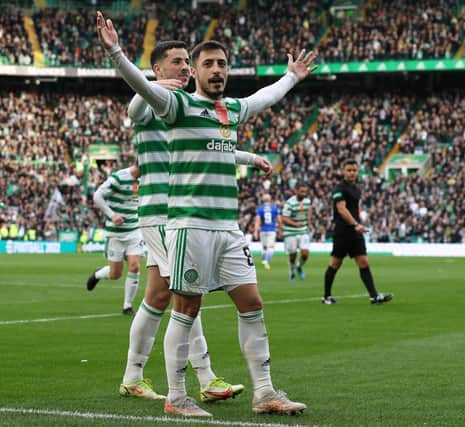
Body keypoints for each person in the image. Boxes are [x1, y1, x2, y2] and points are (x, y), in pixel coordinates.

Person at [98, 11, 315, 417]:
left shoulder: (231, 110)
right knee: (185, 307)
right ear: (195, 72)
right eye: (208, 64)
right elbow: (138, 89)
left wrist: (293, 77)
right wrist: (114, 52)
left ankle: (265, 392)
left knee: (252, 303)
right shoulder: (176, 104)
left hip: (228, 229)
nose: (216, 70)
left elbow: (264, 97)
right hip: (188, 226)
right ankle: (177, 397)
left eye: (222, 64)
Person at [120, 40, 269, 403]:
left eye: (188, 62)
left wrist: (249, 159)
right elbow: (133, 106)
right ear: (158, 69)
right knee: (187, 293)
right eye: (178, 62)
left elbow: (214, 146)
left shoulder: (187, 108)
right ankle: (204, 377)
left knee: (158, 296)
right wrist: (150, 85)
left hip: (173, 212)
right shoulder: (153, 105)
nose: (186, 68)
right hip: (163, 211)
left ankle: (133, 375)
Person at [323, 159, 393, 305]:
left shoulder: (356, 188)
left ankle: (374, 296)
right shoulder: (339, 188)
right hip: (343, 231)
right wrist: (355, 223)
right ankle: (326, 296)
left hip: (355, 231)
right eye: (349, 170)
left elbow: (354, 209)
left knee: (363, 261)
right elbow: (341, 209)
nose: (352, 173)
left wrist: (359, 223)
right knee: (335, 263)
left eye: (354, 170)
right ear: (343, 171)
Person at [86, 165, 143, 316]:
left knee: (135, 266)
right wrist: (112, 215)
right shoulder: (119, 177)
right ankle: (98, 274)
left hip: (135, 231)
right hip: (116, 233)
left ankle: (127, 306)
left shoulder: (145, 179)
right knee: (115, 274)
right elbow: (97, 196)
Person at [281, 182, 312, 281]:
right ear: (296, 191)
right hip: (290, 232)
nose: (304, 193)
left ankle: (299, 266)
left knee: (305, 254)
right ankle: (292, 273)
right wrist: (295, 224)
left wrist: (309, 223)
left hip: (303, 230)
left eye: (305, 192)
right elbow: (284, 218)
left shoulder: (307, 201)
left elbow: (309, 211)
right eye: (302, 191)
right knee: (293, 255)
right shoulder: (289, 203)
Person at [253, 193, 282, 270]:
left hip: (263, 230)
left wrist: (255, 231)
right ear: (270, 199)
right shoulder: (274, 208)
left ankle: (264, 260)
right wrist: (280, 230)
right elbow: (279, 220)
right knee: (271, 247)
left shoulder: (260, 209)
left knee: (264, 247)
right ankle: (266, 260)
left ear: (263, 200)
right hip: (272, 230)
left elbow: (257, 221)